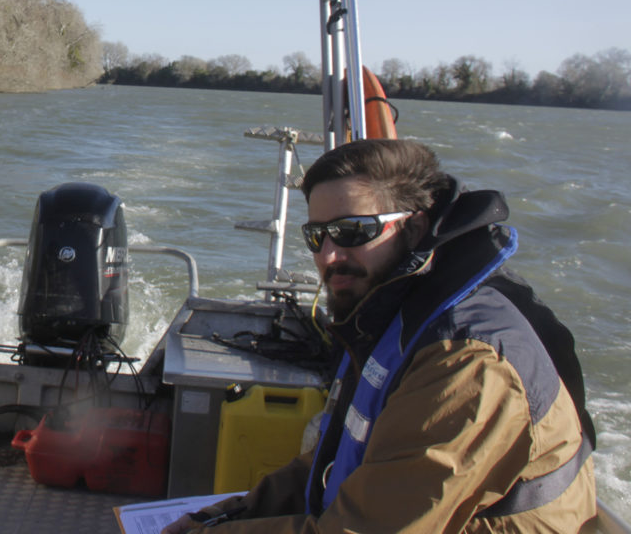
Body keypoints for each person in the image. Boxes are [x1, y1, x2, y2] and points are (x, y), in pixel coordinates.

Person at [165, 138, 596, 533]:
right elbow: (336, 459)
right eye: (317, 235)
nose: (329, 255)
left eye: (353, 232)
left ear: (412, 228)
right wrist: (222, 516)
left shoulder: (466, 362)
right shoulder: (396, 315)